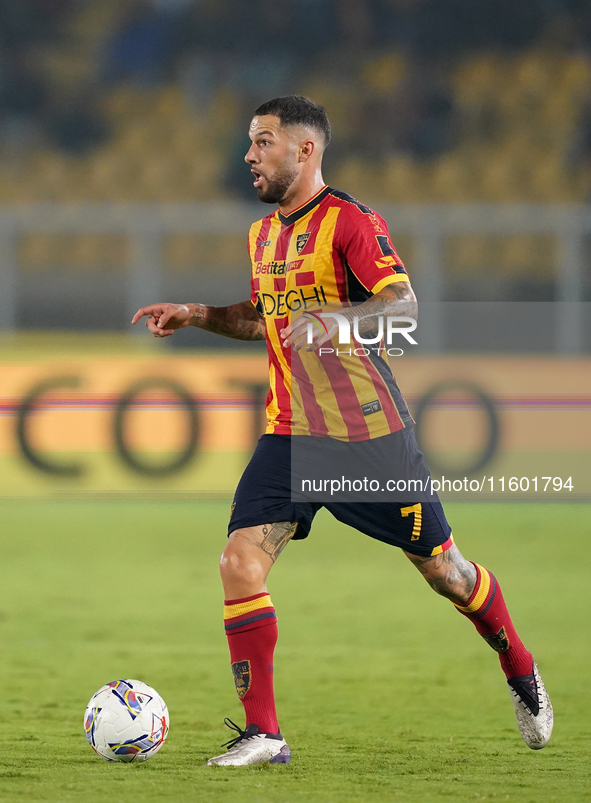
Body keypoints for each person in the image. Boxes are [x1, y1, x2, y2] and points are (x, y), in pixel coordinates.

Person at [132, 95, 553, 767]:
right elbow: (260, 317)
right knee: (238, 561)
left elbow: (401, 305)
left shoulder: (351, 223)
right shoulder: (262, 234)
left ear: (304, 150)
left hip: (369, 439)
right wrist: (196, 313)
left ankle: (518, 660)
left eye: (263, 141)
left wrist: (333, 321)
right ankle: (264, 733)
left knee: (444, 570)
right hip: (289, 433)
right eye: (250, 141)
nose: (249, 154)